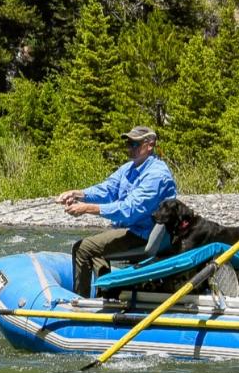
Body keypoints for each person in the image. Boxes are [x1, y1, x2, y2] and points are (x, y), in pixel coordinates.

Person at [56, 126, 177, 297]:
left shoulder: (157, 175)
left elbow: (129, 210)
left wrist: (87, 208)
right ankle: (107, 294)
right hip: (133, 228)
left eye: (135, 144)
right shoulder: (128, 168)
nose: (130, 148)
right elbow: (107, 189)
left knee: (82, 249)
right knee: (95, 249)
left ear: (150, 145)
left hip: (145, 234)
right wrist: (78, 194)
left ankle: (80, 302)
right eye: (128, 143)